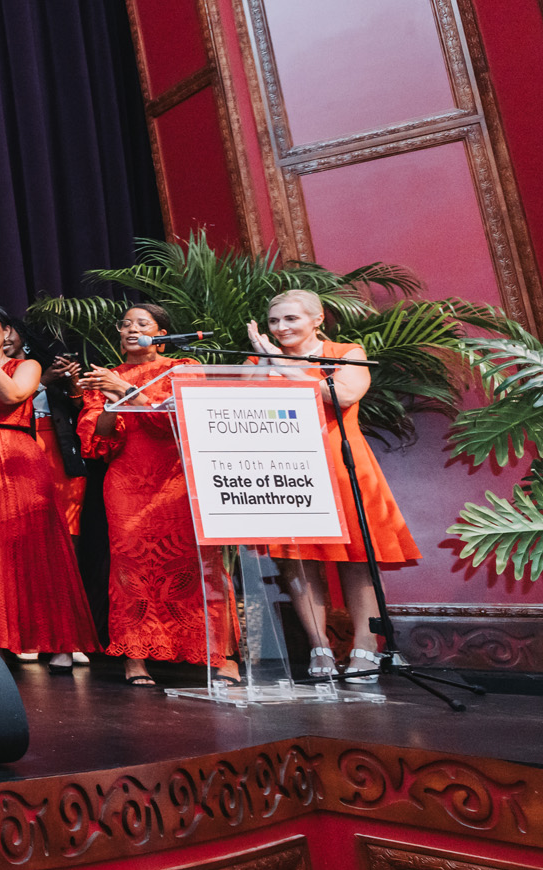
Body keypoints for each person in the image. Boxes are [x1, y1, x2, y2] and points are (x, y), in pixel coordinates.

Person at [247, 288, 417, 678]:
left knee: (357, 560)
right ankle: (319, 647)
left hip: (341, 465)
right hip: (285, 469)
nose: (281, 327)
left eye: (291, 318)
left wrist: (280, 363)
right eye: (274, 321)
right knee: (298, 560)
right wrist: (263, 360)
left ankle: (365, 646)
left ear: (317, 319)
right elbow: (243, 397)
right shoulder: (260, 359)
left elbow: (343, 395)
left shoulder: (346, 353)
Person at [75, 304, 236, 686]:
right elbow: (96, 441)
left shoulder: (183, 368)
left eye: (142, 323)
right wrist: (112, 399)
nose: (131, 328)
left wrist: (129, 392)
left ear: (161, 333)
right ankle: (135, 657)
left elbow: (177, 424)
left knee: (198, 565)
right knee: (132, 569)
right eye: (125, 323)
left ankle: (220, 655)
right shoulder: (107, 376)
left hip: (176, 482)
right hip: (127, 484)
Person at [0, 303, 98, 664]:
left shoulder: (27, 366)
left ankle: (57, 639)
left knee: (34, 547)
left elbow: (13, 395)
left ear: (6, 331)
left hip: (19, 455)